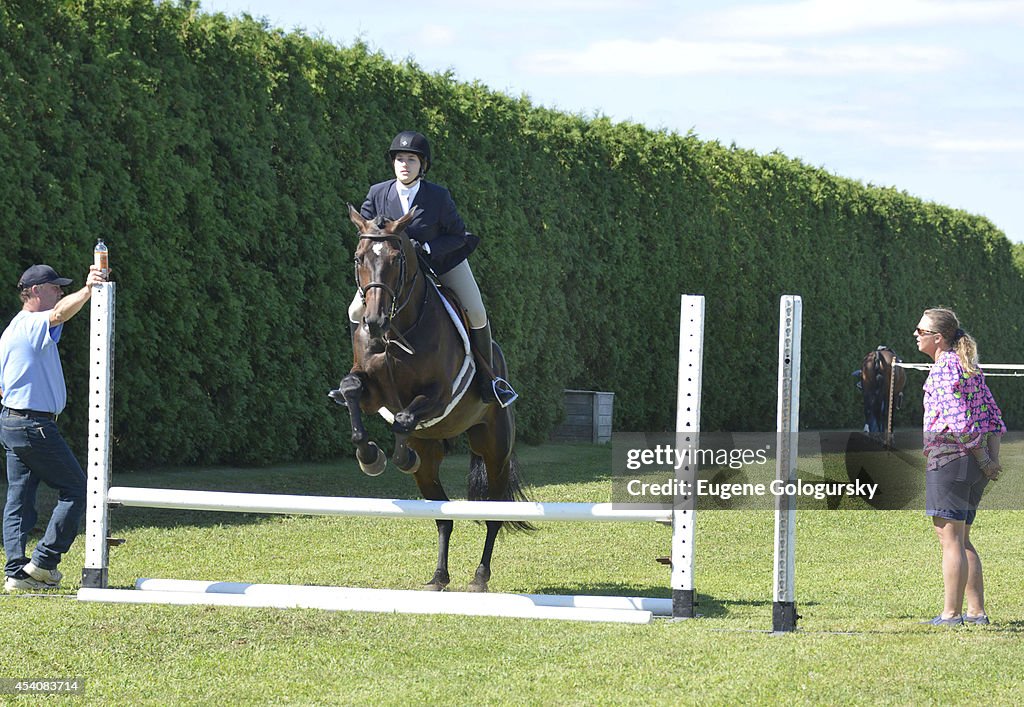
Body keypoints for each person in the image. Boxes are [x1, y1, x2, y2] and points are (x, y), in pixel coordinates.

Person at [349, 130, 518, 407]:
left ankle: (489, 380)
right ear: (393, 163)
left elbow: (458, 235)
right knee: (355, 310)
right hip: (394, 271)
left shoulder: (438, 196)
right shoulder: (377, 193)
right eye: (400, 159)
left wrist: (427, 248)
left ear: (422, 165)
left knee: (476, 311)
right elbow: (366, 233)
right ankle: (358, 370)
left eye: (412, 160)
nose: (405, 164)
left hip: (440, 263)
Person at [2, 262, 106, 591]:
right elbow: (59, 314)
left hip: (13, 421)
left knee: (19, 498)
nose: (59, 292)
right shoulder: (32, 323)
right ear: (34, 292)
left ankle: (16, 573)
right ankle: (44, 562)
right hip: (35, 425)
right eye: (53, 287)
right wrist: (89, 290)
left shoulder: (13, 329)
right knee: (78, 490)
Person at [914, 308, 1004, 626]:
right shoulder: (968, 367)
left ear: (938, 338)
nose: (916, 334)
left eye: (921, 331)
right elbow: (994, 416)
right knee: (962, 538)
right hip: (971, 465)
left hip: (950, 459)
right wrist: (991, 460)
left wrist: (983, 459)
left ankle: (951, 615)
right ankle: (976, 612)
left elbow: (960, 422)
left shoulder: (942, 370)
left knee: (950, 540)